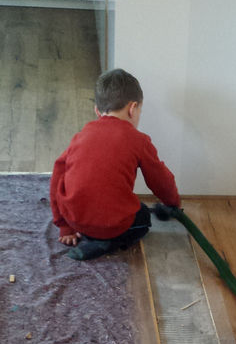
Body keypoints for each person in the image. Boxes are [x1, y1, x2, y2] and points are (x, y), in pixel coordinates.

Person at [50, 69, 181, 260]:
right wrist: (172, 202)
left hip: (74, 221)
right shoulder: (139, 140)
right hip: (112, 226)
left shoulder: (80, 136)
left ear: (97, 110)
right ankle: (106, 242)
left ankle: (91, 236)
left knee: (109, 206)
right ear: (132, 108)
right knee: (143, 217)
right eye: (140, 112)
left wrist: (64, 226)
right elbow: (160, 180)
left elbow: (57, 177)